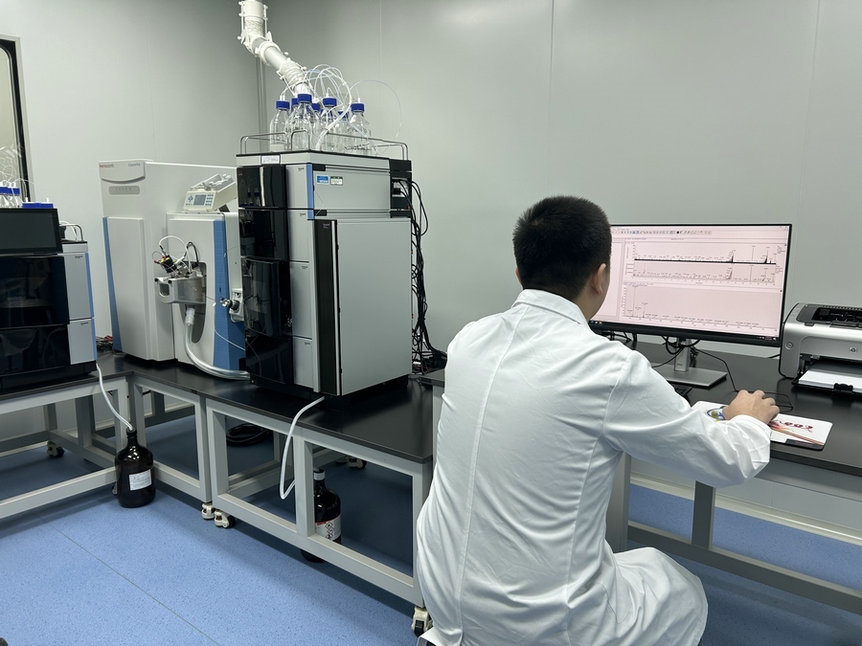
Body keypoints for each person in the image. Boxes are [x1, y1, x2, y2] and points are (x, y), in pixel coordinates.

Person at [415, 196, 779, 645]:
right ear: (601, 277)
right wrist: (749, 421)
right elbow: (726, 461)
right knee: (681, 587)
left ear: (519, 274)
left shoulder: (469, 339)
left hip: (442, 595)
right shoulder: (610, 369)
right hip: (539, 625)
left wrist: (707, 415)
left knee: (622, 563)